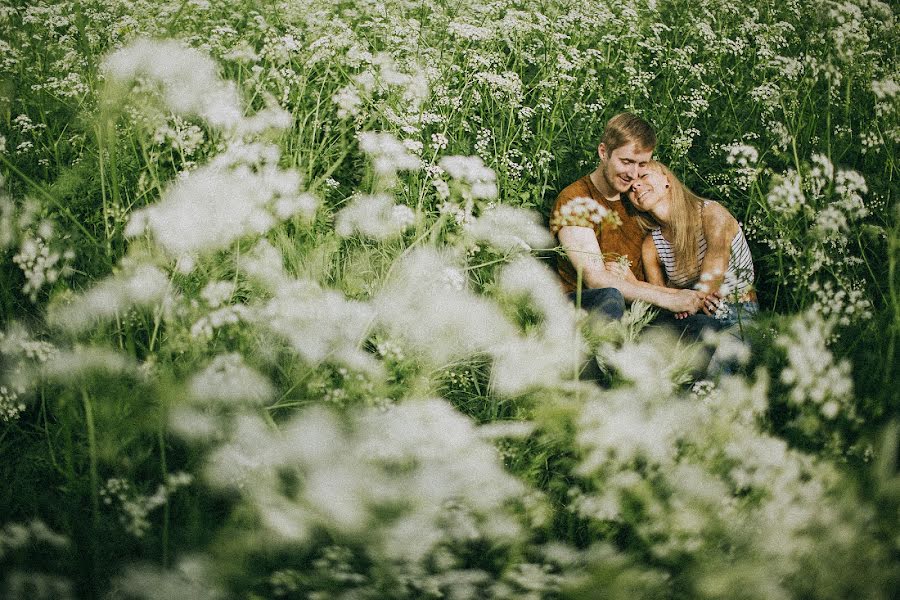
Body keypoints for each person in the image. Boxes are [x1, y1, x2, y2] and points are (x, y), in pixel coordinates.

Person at [550, 113, 705, 320]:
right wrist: (669, 299)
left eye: (642, 165)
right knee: (610, 297)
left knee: (705, 326)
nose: (633, 174)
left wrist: (686, 297)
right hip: (585, 308)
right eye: (626, 162)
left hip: (639, 312)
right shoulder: (575, 199)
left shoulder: (636, 197)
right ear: (603, 152)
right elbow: (595, 279)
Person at [628, 160, 758, 338]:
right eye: (629, 187)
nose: (635, 185)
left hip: (737, 312)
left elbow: (709, 282)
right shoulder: (651, 245)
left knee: (718, 363)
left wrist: (636, 286)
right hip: (692, 319)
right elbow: (661, 302)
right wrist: (675, 301)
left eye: (643, 176)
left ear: (667, 181)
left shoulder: (712, 214)